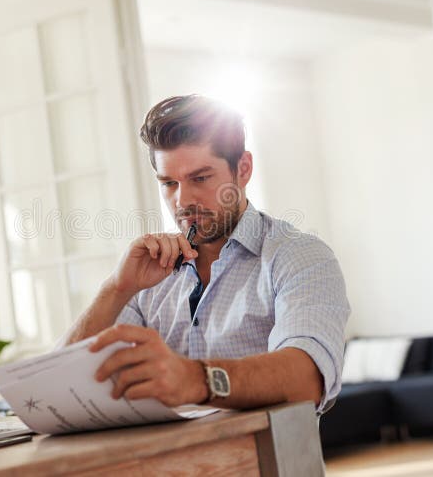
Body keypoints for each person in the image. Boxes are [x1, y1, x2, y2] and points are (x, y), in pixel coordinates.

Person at [64, 94, 349, 412]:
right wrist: (116, 289)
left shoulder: (300, 257)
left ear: (243, 169)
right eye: (169, 182)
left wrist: (195, 379)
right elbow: (60, 387)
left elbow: (307, 379)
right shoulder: (149, 274)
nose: (182, 201)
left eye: (200, 178)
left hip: (264, 461)